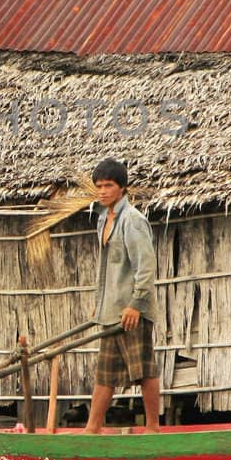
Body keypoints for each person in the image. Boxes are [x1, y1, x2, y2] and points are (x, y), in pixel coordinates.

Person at [84, 158, 160, 433]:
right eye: (99, 186)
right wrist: (100, 304)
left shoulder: (133, 221)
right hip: (111, 311)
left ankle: (153, 428)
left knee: (144, 370)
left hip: (131, 312)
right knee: (105, 374)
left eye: (108, 186)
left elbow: (146, 266)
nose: (103, 191)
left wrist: (136, 304)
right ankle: (92, 429)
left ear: (122, 188)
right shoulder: (103, 218)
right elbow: (108, 268)